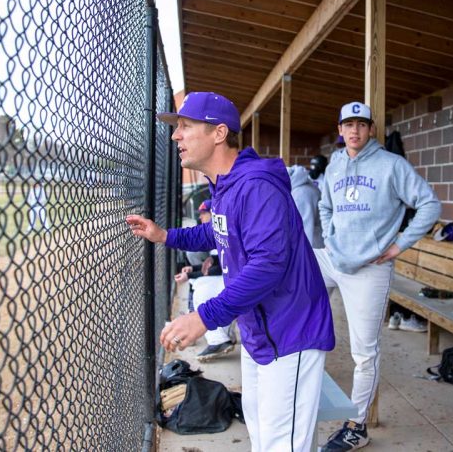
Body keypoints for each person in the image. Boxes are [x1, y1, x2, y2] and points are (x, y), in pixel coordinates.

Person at [126, 91, 335, 451]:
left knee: (280, 444)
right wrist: (165, 235)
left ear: (219, 133)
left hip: (290, 330)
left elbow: (268, 264)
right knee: (265, 430)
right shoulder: (227, 184)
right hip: (261, 328)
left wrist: (203, 318)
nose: (176, 135)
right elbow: (218, 230)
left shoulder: (255, 186)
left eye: (186, 126)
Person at [316, 101, 441, 451]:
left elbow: (429, 204)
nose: (354, 130)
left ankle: (357, 425)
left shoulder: (391, 165)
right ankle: (297, 381)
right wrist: (328, 236)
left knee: (364, 352)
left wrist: (400, 245)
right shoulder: (336, 162)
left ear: (371, 129)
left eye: (361, 124)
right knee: (294, 273)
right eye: (347, 124)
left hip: (369, 269)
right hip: (333, 259)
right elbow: (324, 205)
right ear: (339, 130)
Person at [173, 199, 235, 362]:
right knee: (200, 284)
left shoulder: (223, 225)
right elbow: (215, 265)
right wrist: (193, 271)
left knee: (202, 289)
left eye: (203, 214)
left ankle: (219, 339)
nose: (201, 217)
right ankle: (217, 335)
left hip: (237, 280)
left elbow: (220, 268)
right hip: (231, 277)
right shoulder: (217, 228)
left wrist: (191, 275)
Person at [287, 165, 323, 248]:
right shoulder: (298, 188)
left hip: (314, 250)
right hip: (313, 246)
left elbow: (305, 231)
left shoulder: (301, 194)